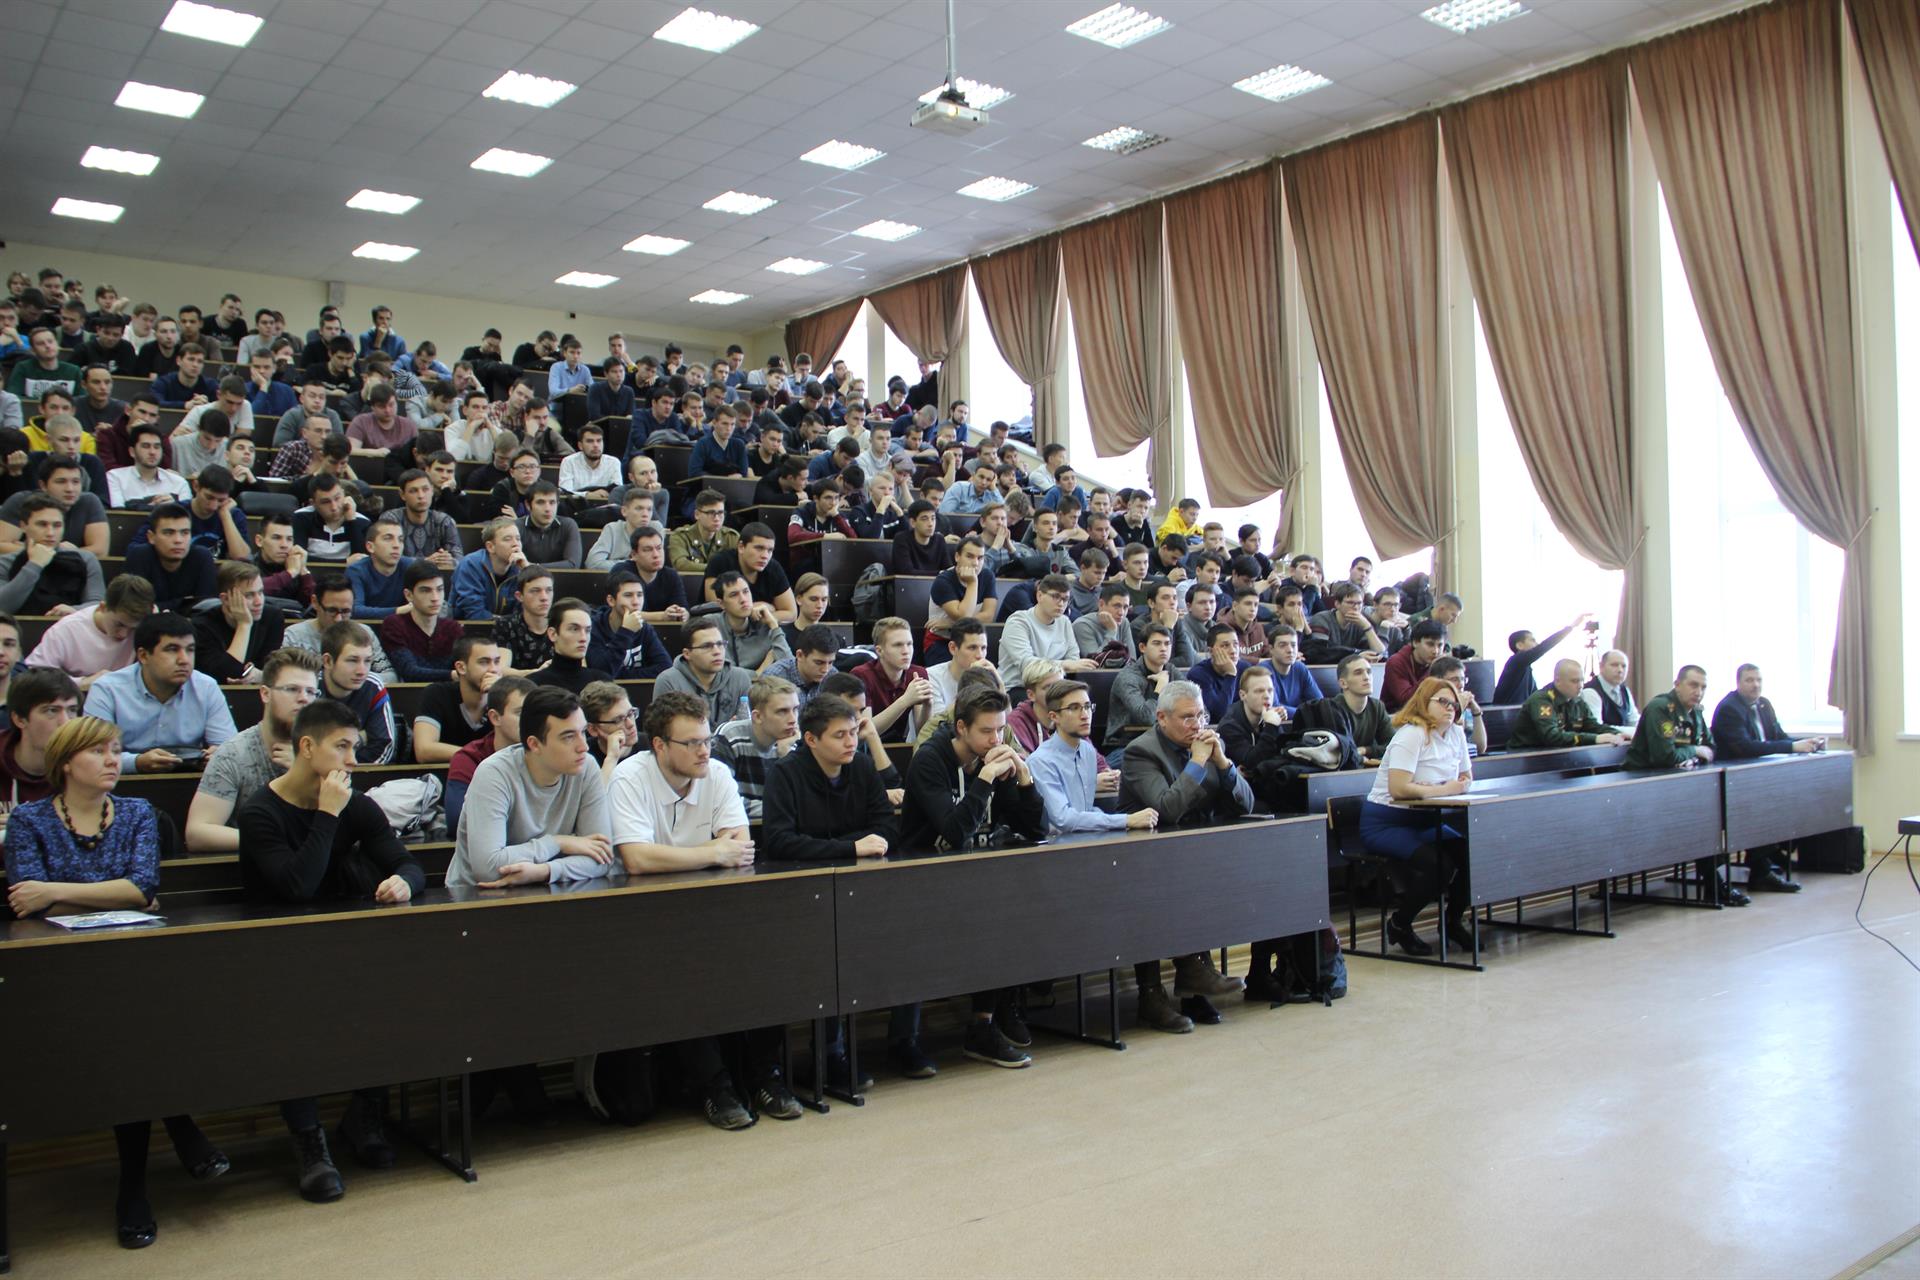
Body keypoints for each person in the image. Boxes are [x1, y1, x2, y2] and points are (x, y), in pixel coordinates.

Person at [4, 715, 232, 1249]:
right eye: (99, 752)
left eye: (116, 750)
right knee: (133, 1039)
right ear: (65, 763)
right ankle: (177, 1134)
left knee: (135, 1033)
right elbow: (26, 900)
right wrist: (110, 893)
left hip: (130, 963)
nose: (113, 760)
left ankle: (136, 1185)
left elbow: (142, 887)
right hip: (57, 970)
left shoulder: (135, 812)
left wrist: (56, 891)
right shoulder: (30, 820)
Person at [236, 699, 424, 1202]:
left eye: (354, 748)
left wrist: (404, 883)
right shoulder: (260, 812)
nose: (352, 761)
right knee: (295, 1026)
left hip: (343, 943)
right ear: (307, 747)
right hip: (277, 952)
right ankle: (309, 1142)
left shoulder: (353, 805)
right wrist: (326, 814)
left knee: (389, 997)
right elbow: (296, 887)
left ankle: (365, 1117)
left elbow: (407, 864)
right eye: (342, 747)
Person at [610, 692, 786, 1128]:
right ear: (659, 745)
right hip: (645, 916)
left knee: (774, 958)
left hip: (713, 906)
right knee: (685, 972)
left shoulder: (717, 773)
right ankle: (716, 1086)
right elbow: (637, 859)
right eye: (691, 743)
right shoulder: (629, 777)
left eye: (706, 740)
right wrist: (711, 852)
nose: (704, 750)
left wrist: (685, 855)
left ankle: (765, 1075)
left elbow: (740, 849)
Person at [898, 684, 1047, 1070]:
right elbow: (953, 832)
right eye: (986, 731)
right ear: (961, 728)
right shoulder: (930, 761)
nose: (996, 740)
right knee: (914, 945)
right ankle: (903, 1040)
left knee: (1013, 913)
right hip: (923, 878)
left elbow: (1036, 829)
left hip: (978, 879)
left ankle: (984, 1026)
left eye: (1000, 730)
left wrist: (1024, 777)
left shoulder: (996, 756)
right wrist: (985, 778)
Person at [1116, 680, 1254, 1030]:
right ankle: (1154, 995)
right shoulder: (1140, 752)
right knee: (1171, 886)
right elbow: (1167, 809)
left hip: (1190, 854)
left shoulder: (1207, 746)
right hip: (1140, 859)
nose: (1198, 725)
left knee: (1218, 875)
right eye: (1188, 717)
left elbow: (1247, 805)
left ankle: (1194, 986)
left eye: (1202, 715)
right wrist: (1197, 763)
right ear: (1162, 717)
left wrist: (1223, 764)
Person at [447, 684, 613, 890]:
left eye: (583, 732)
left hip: (549, 886)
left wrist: (546, 871)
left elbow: (603, 857)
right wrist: (557, 843)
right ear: (534, 744)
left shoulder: (586, 767)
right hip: (475, 894)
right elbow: (488, 868)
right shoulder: (494, 774)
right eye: (569, 737)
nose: (584, 746)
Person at [1360, 677, 1475, 956]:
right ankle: (1400, 924)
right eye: (1443, 702)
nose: (1450, 708)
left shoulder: (1456, 734)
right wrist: (1442, 789)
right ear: (1424, 703)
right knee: (1440, 866)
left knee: (1470, 854)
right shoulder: (1412, 734)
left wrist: (1429, 790)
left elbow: (1466, 779)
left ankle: (1452, 922)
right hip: (1387, 822)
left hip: (1426, 819)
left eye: (1454, 703)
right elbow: (1399, 789)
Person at [1622, 664, 1746, 906]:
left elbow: (1712, 747)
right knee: (1701, 819)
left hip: (1678, 784)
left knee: (1717, 812)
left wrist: (1692, 755)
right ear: (1677, 685)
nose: (1698, 692)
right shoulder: (1661, 708)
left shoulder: (1695, 711)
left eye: (1703, 687)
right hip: (1644, 786)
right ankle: (1715, 884)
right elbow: (1664, 756)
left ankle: (1716, 881)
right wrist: (1694, 751)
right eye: (1693, 685)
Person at [185, 648, 320, 851]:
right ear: (265, 693)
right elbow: (197, 833)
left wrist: (304, 772)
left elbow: (347, 824)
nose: (304, 699)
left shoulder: (326, 752)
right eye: (292, 689)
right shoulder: (233, 754)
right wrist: (274, 840)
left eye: (311, 692)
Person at [1711, 663, 1826, 893]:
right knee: (1764, 805)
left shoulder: (1764, 704)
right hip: (1734, 781)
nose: (1755, 685)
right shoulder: (1729, 708)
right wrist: (1792, 747)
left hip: (1761, 778)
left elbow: (1778, 737)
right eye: (1749, 680)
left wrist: (1806, 743)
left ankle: (1771, 856)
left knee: (1796, 797)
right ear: (1738, 683)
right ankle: (1761, 868)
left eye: (1759, 680)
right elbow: (1745, 747)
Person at [83, 612, 236, 772]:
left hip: (189, 781)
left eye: (190, 650)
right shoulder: (107, 689)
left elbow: (230, 749)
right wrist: (137, 762)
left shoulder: (206, 687)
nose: (184, 660)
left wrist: (218, 756)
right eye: (172, 649)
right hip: (121, 781)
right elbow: (95, 753)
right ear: (143, 656)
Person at [1029, 678, 1158, 837]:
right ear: (1054, 717)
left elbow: (1086, 810)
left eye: (1087, 707)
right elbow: (1063, 819)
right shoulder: (1041, 761)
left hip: (1085, 839)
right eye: (1074, 708)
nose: (1085, 715)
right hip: (1055, 845)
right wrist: (1126, 820)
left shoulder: (1087, 751)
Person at [23, 576, 153, 689]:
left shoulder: (147, 625)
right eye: (119, 625)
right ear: (103, 607)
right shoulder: (66, 630)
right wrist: (82, 683)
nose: (124, 634)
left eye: (133, 629)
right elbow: (35, 675)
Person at [445, 675, 531, 834]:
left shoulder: (547, 756)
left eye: (534, 714)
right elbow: (456, 819)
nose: (530, 721)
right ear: (495, 717)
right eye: (520, 713)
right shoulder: (469, 758)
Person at [0, 669, 81, 833]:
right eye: (52, 710)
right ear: (19, 719)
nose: (65, 722)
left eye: (72, 710)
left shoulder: (83, 764)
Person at [0, 493, 105, 615]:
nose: (50, 533)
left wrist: (75, 611)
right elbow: (2, 607)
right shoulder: (5, 562)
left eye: (57, 525)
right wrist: (34, 565)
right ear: (23, 526)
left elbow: (96, 605)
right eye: (42, 524)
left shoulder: (85, 559)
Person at [712, 675, 800, 819]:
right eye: (782, 711)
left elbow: (803, 802)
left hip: (777, 826)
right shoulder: (730, 737)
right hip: (735, 827)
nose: (793, 719)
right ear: (757, 717)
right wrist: (781, 810)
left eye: (795, 709)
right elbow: (721, 802)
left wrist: (786, 757)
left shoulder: (794, 742)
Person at [411, 637, 504, 764]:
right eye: (484, 662)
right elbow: (424, 750)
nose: (493, 669)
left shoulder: (506, 698)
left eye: (497, 662)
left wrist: (501, 694)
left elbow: (521, 748)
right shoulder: (437, 694)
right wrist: (478, 755)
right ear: (461, 668)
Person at [193, 559, 286, 684]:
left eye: (260, 592)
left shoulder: (272, 617)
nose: (259, 602)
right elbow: (227, 673)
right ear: (225, 599)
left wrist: (260, 676)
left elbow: (270, 668)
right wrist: (244, 625)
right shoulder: (201, 626)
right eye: (249, 595)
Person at [317, 621, 398, 765]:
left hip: (361, 774)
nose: (362, 671)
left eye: (367, 661)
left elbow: (383, 745)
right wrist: (361, 738)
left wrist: (345, 767)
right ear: (327, 661)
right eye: (352, 661)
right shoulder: (309, 688)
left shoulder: (373, 685)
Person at [998, 573, 1097, 688]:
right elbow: (1028, 665)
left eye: (1065, 599)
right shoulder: (1018, 622)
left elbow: (1073, 659)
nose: (1061, 604)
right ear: (1039, 596)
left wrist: (1070, 665)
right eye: (1055, 597)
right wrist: (1066, 664)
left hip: (1055, 687)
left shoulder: (1064, 622)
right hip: (1019, 686)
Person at [1295, 653, 1396, 765]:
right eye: (1358, 673)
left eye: (1368, 672)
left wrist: (1366, 750)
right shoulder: (1333, 710)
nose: (1366, 677)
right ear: (1343, 683)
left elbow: (1393, 745)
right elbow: (1344, 752)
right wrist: (1363, 756)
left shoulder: (1377, 706)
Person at [1509, 659, 1630, 751]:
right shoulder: (1542, 700)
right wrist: (1595, 738)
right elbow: (1551, 736)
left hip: (1560, 753)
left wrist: (1616, 734)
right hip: (1527, 754)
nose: (1580, 686)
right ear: (1558, 681)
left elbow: (1592, 725)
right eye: (1574, 681)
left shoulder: (1577, 700)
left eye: (1582, 680)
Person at [656, 616, 754, 725]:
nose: (717, 651)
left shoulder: (739, 678)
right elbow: (665, 729)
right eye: (706, 646)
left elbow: (749, 726)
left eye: (720, 644)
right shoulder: (669, 681)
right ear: (687, 654)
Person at [379, 560, 464, 682]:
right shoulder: (394, 625)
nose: (435, 598)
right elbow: (410, 672)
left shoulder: (452, 628)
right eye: (425, 590)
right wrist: (454, 675)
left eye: (439, 589)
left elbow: (464, 665)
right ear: (409, 595)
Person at [851, 616, 931, 742]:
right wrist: (905, 701)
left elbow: (921, 732)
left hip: (898, 746)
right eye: (898, 645)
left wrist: (928, 706)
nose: (906, 651)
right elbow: (865, 731)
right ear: (879, 651)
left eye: (909, 644)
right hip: (866, 748)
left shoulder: (918, 673)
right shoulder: (861, 675)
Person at [586, 570, 671, 680]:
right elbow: (601, 672)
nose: (636, 602)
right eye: (628, 595)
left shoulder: (645, 629)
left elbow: (665, 668)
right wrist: (626, 631)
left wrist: (620, 675)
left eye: (639, 595)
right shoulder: (593, 627)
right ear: (611, 600)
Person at [1491, 614, 1593, 705]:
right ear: (1520, 645)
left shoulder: (1525, 668)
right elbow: (1544, 646)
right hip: (1505, 717)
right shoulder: (1516, 661)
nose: (1537, 644)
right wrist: (1571, 627)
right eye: (1532, 640)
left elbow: (1537, 695)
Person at [702, 523, 795, 618]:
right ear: (741, 547)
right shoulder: (720, 562)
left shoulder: (773, 568)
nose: (765, 556)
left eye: (770, 550)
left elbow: (791, 613)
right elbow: (715, 608)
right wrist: (759, 609)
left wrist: (763, 615)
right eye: (759, 548)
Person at [375, 469, 462, 568]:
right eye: (413, 491)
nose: (421, 496)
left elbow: (459, 558)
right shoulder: (391, 519)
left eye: (425, 489)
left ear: (432, 491)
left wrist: (449, 561)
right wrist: (424, 562)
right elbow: (385, 555)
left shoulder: (444, 521)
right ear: (402, 495)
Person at [450, 517, 526, 620]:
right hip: (467, 627)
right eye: (507, 539)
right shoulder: (470, 565)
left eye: (518, 538)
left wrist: (527, 570)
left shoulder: (520, 568)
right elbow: (474, 613)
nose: (515, 544)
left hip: (507, 627)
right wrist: (507, 622)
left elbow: (529, 612)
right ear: (490, 547)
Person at [527, 597, 610, 693]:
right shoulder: (534, 685)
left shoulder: (602, 682)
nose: (583, 638)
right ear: (553, 634)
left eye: (587, 630)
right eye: (574, 629)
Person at [106, 422, 192, 509]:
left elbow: (185, 514)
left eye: (157, 447)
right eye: (146, 446)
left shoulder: (179, 483)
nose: (152, 452)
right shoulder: (115, 478)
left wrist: (174, 506)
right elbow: (118, 512)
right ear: (132, 452)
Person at [1186, 623, 1248, 723]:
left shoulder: (1246, 669)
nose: (1233, 650)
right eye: (1225, 645)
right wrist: (1230, 675)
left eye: (1236, 644)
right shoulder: (1198, 674)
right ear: (1211, 651)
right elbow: (1220, 715)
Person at [1307, 581, 1384, 661]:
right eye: (1350, 603)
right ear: (1337, 604)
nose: (1356, 607)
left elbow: (1380, 653)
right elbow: (1321, 651)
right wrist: (1356, 654)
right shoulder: (1321, 619)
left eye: (1359, 603)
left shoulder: (1364, 621)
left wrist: (1367, 627)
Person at [1381, 619, 1448, 711]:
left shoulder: (1440, 663)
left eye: (1440, 645)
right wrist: (1433, 670)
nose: (1435, 651)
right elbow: (1406, 700)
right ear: (1415, 642)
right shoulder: (1396, 662)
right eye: (1430, 644)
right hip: (1397, 714)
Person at [668, 488, 739, 573]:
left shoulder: (731, 537)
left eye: (720, 513)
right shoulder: (681, 536)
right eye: (711, 513)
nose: (717, 518)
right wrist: (716, 568)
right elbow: (681, 565)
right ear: (697, 514)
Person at [1430, 655, 1489, 756]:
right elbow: (1453, 745)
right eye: (1454, 679)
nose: (1461, 685)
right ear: (1438, 681)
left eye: (1462, 679)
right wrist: (1459, 707)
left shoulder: (1467, 707)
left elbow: (1480, 748)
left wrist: (1476, 712)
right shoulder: (1434, 707)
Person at [517, 481, 582, 568]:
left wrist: (531, 567)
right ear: (528, 505)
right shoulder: (516, 527)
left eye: (552, 502)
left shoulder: (568, 525)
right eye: (540, 502)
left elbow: (572, 565)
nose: (547, 509)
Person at [1073, 580, 1136, 664]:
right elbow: (1097, 661)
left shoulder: (1124, 622)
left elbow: (1132, 660)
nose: (1121, 613)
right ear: (1101, 604)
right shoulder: (1082, 625)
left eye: (1125, 607)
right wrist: (1112, 631)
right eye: (1117, 606)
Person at [1580, 648, 1640, 733]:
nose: (1620, 670)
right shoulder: (1590, 691)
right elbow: (1597, 727)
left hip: (1624, 739)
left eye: (1624, 666)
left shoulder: (1624, 690)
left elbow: (1634, 721)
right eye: (1614, 665)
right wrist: (1633, 732)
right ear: (1601, 666)